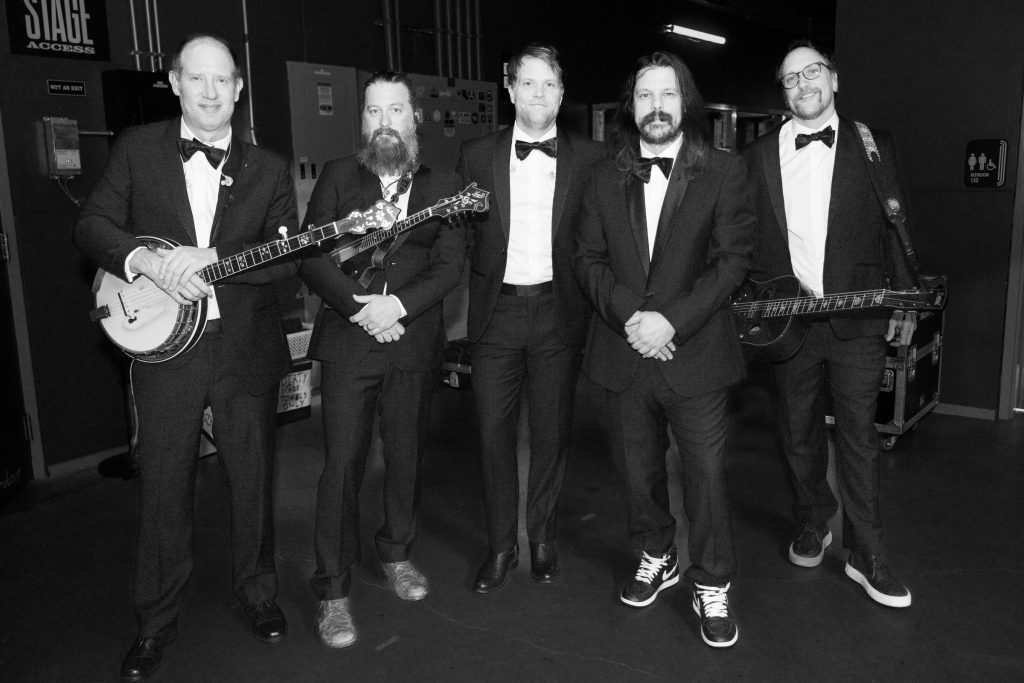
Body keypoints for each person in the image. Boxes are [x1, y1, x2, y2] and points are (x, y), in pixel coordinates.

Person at [73, 34, 297, 682]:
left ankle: (259, 593)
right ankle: (155, 621)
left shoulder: (270, 168)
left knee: (253, 481)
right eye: (196, 78)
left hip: (244, 345)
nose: (209, 91)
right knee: (164, 486)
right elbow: (90, 226)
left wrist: (216, 260)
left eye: (221, 79)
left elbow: (287, 257)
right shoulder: (136, 150)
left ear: (238, 88)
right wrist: (142, 259)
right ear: (174, 82)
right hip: (165, 352)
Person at [573, 51, 753, 648]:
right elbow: (587, 259)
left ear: (685, 102)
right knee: (637, 471)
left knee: (706, 475)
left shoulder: (724, 171)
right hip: (624, 351)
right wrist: (633, 317)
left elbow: (731, 263)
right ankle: (658, 553)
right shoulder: (602, 175)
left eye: (668, 94)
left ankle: (713, 580)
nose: (656, 106)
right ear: (631, 106)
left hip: (696, 353)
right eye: (645, 95)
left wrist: (670, 322)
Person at [740, 40, 918, 608]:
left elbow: (895, 226)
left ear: (834, 79)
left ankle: (867, 553)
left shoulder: (873, 144)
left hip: (859, 318)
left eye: (813, 72)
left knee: (859, 438)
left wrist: (904, 305)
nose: (804, 84)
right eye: (791, 78)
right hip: (789, 321)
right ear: (782, 91)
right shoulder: (759, 154)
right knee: (797, 432)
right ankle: (813, 520)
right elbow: (743, 237)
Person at [298, 71, 466, 648]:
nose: (384, 121)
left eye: (396, 110)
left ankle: (396, 553)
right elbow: (311, 255)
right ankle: (332, 589)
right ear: (363, 121)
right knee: (341, 467)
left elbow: (450, 264)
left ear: (414, 119)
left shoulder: (445, 184)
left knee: (405, 457)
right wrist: (359, 308)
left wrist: (398, 306)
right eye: (374, 111)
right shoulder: (338, 176)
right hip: (349, 345)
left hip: (412, 342)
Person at [456, 45, 606, 593]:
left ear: (561, 95)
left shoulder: (591, 159)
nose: (538, 93)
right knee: (492, 434)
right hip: (495, 315)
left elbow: (604, 237)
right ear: (510, 90)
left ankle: (543, 537)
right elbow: (458, 237)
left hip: (558, 313)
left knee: (551, 433)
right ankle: (501, 545)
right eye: (528, 82)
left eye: (549, 84)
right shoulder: (476, 155)